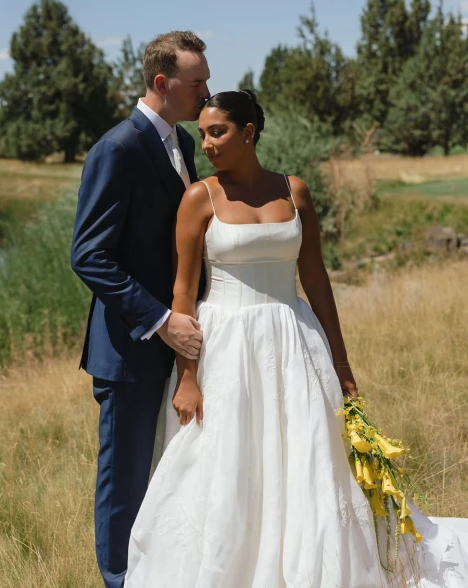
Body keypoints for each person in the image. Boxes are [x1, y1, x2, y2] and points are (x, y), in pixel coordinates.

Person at [125, 89, 468, 587]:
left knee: (310, 459)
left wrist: (343, 366)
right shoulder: (199, 197)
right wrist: (189, 377)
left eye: (217, 131)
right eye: (201, 134)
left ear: (249, 132)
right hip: (226, 345)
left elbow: (318, 280)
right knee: (226, 463)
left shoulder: (294, 191)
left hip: (294, 339)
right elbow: (182, 293)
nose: (207, 144)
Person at [71, 31, 211, 588]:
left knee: (167, 471)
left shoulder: (182, 142)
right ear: (162, 82)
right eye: (197, 81)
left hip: (179, 343)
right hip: (130, 347)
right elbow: (88, 255)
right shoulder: (119, 147)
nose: (207, 90)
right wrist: (161, 320)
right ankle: (117, 580)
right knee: (124, 480)